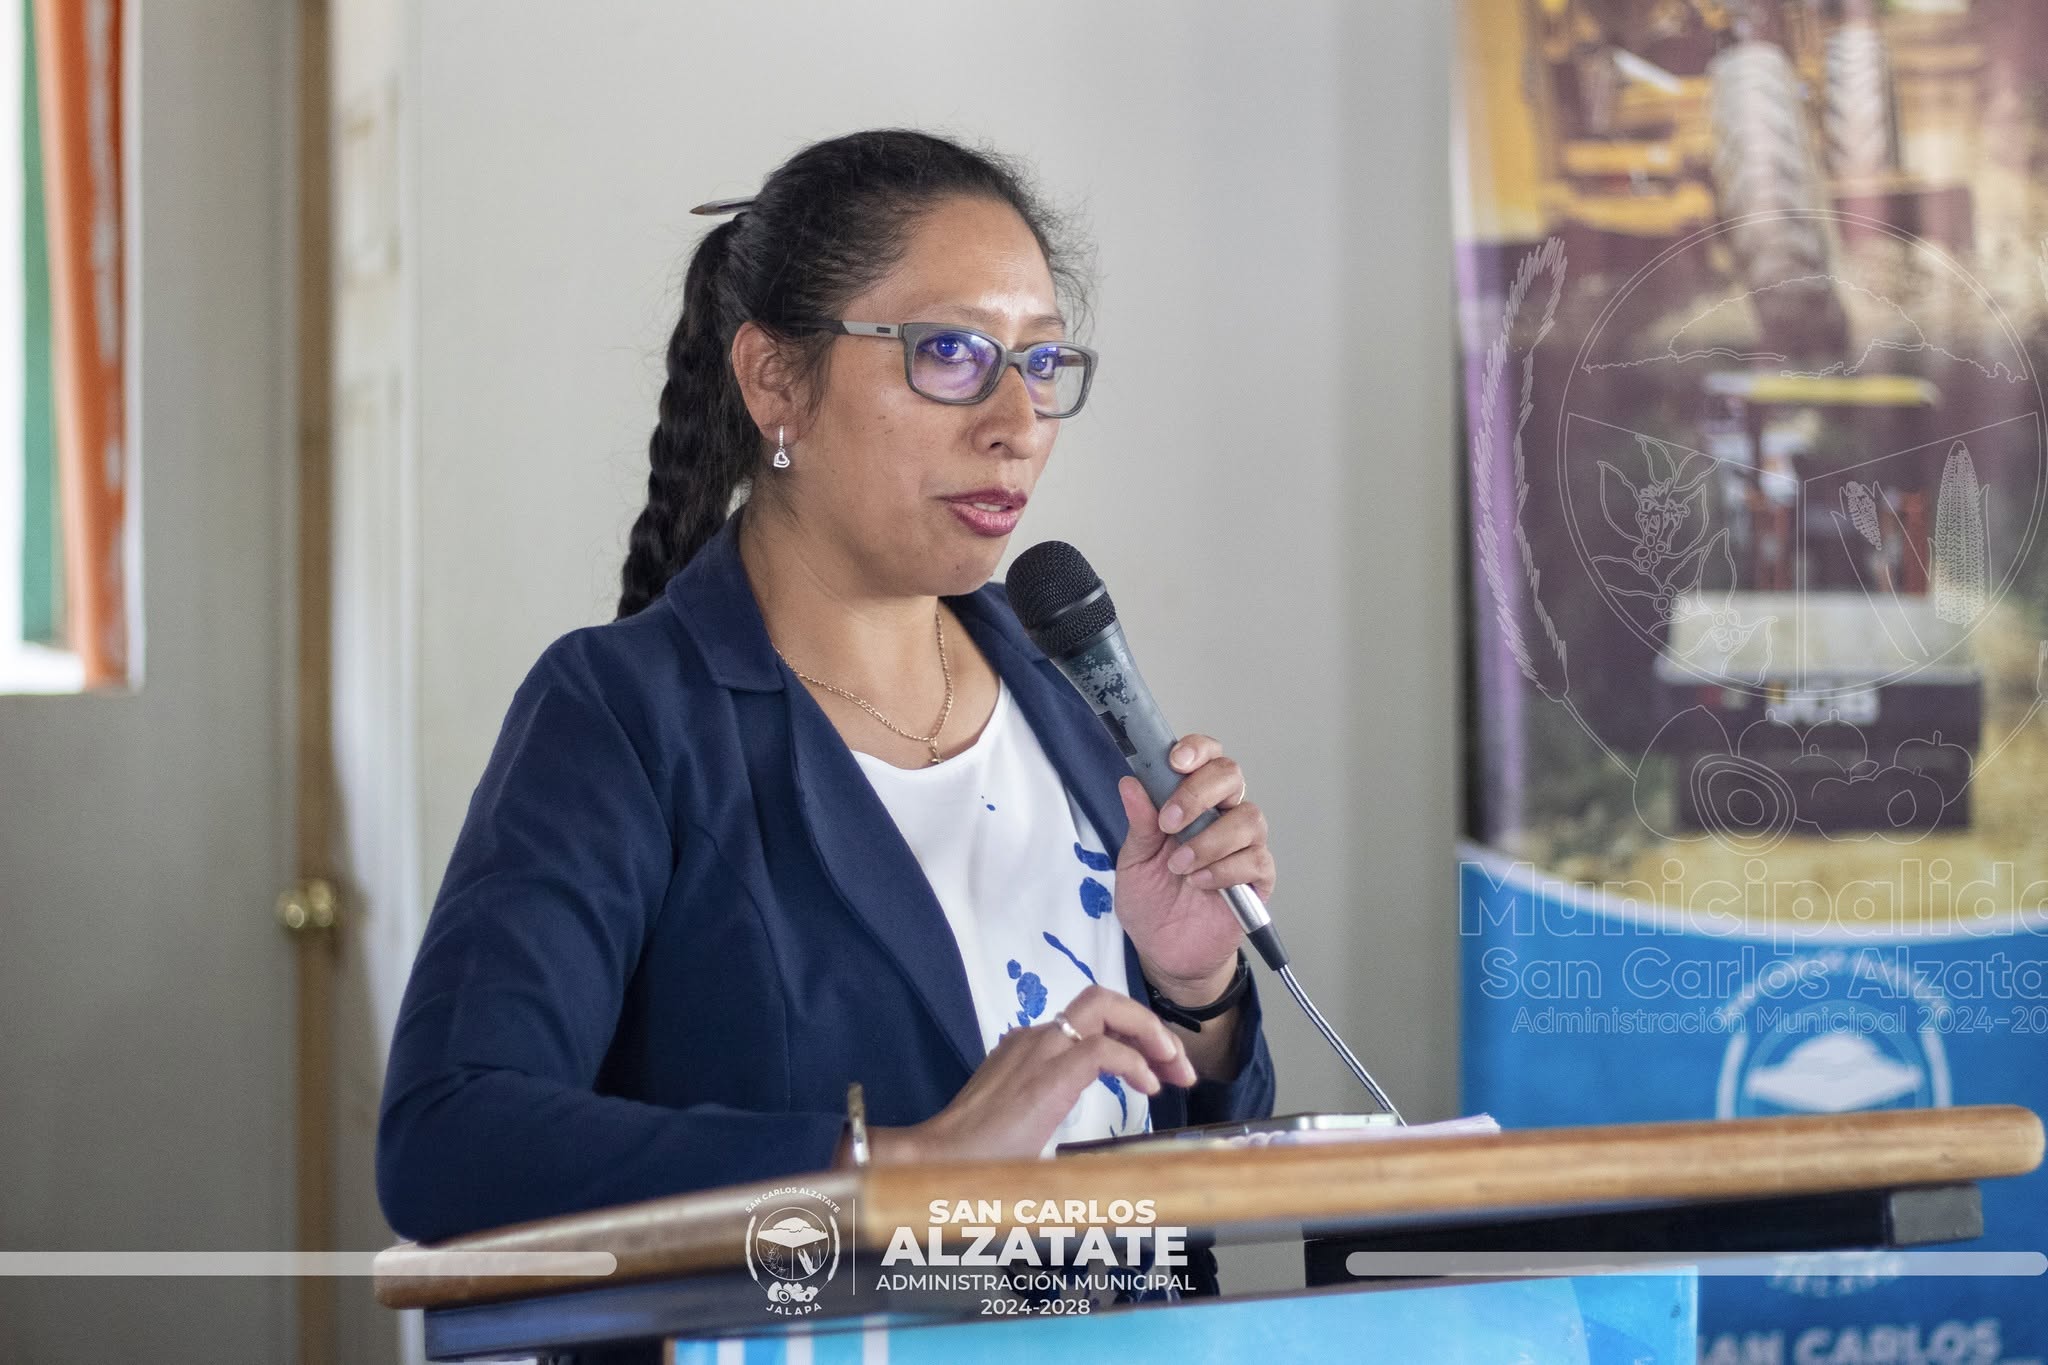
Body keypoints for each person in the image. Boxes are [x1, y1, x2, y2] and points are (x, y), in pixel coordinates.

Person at [375, 130, 1277, 1257]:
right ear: (773, 382)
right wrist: (896, 1169)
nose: (1016, 423)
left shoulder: (1063, 681)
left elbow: (1179, 1174)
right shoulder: (623, 714)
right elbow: (448, 1142)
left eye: (1041, 361)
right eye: (950, 352)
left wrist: (1196, 990)